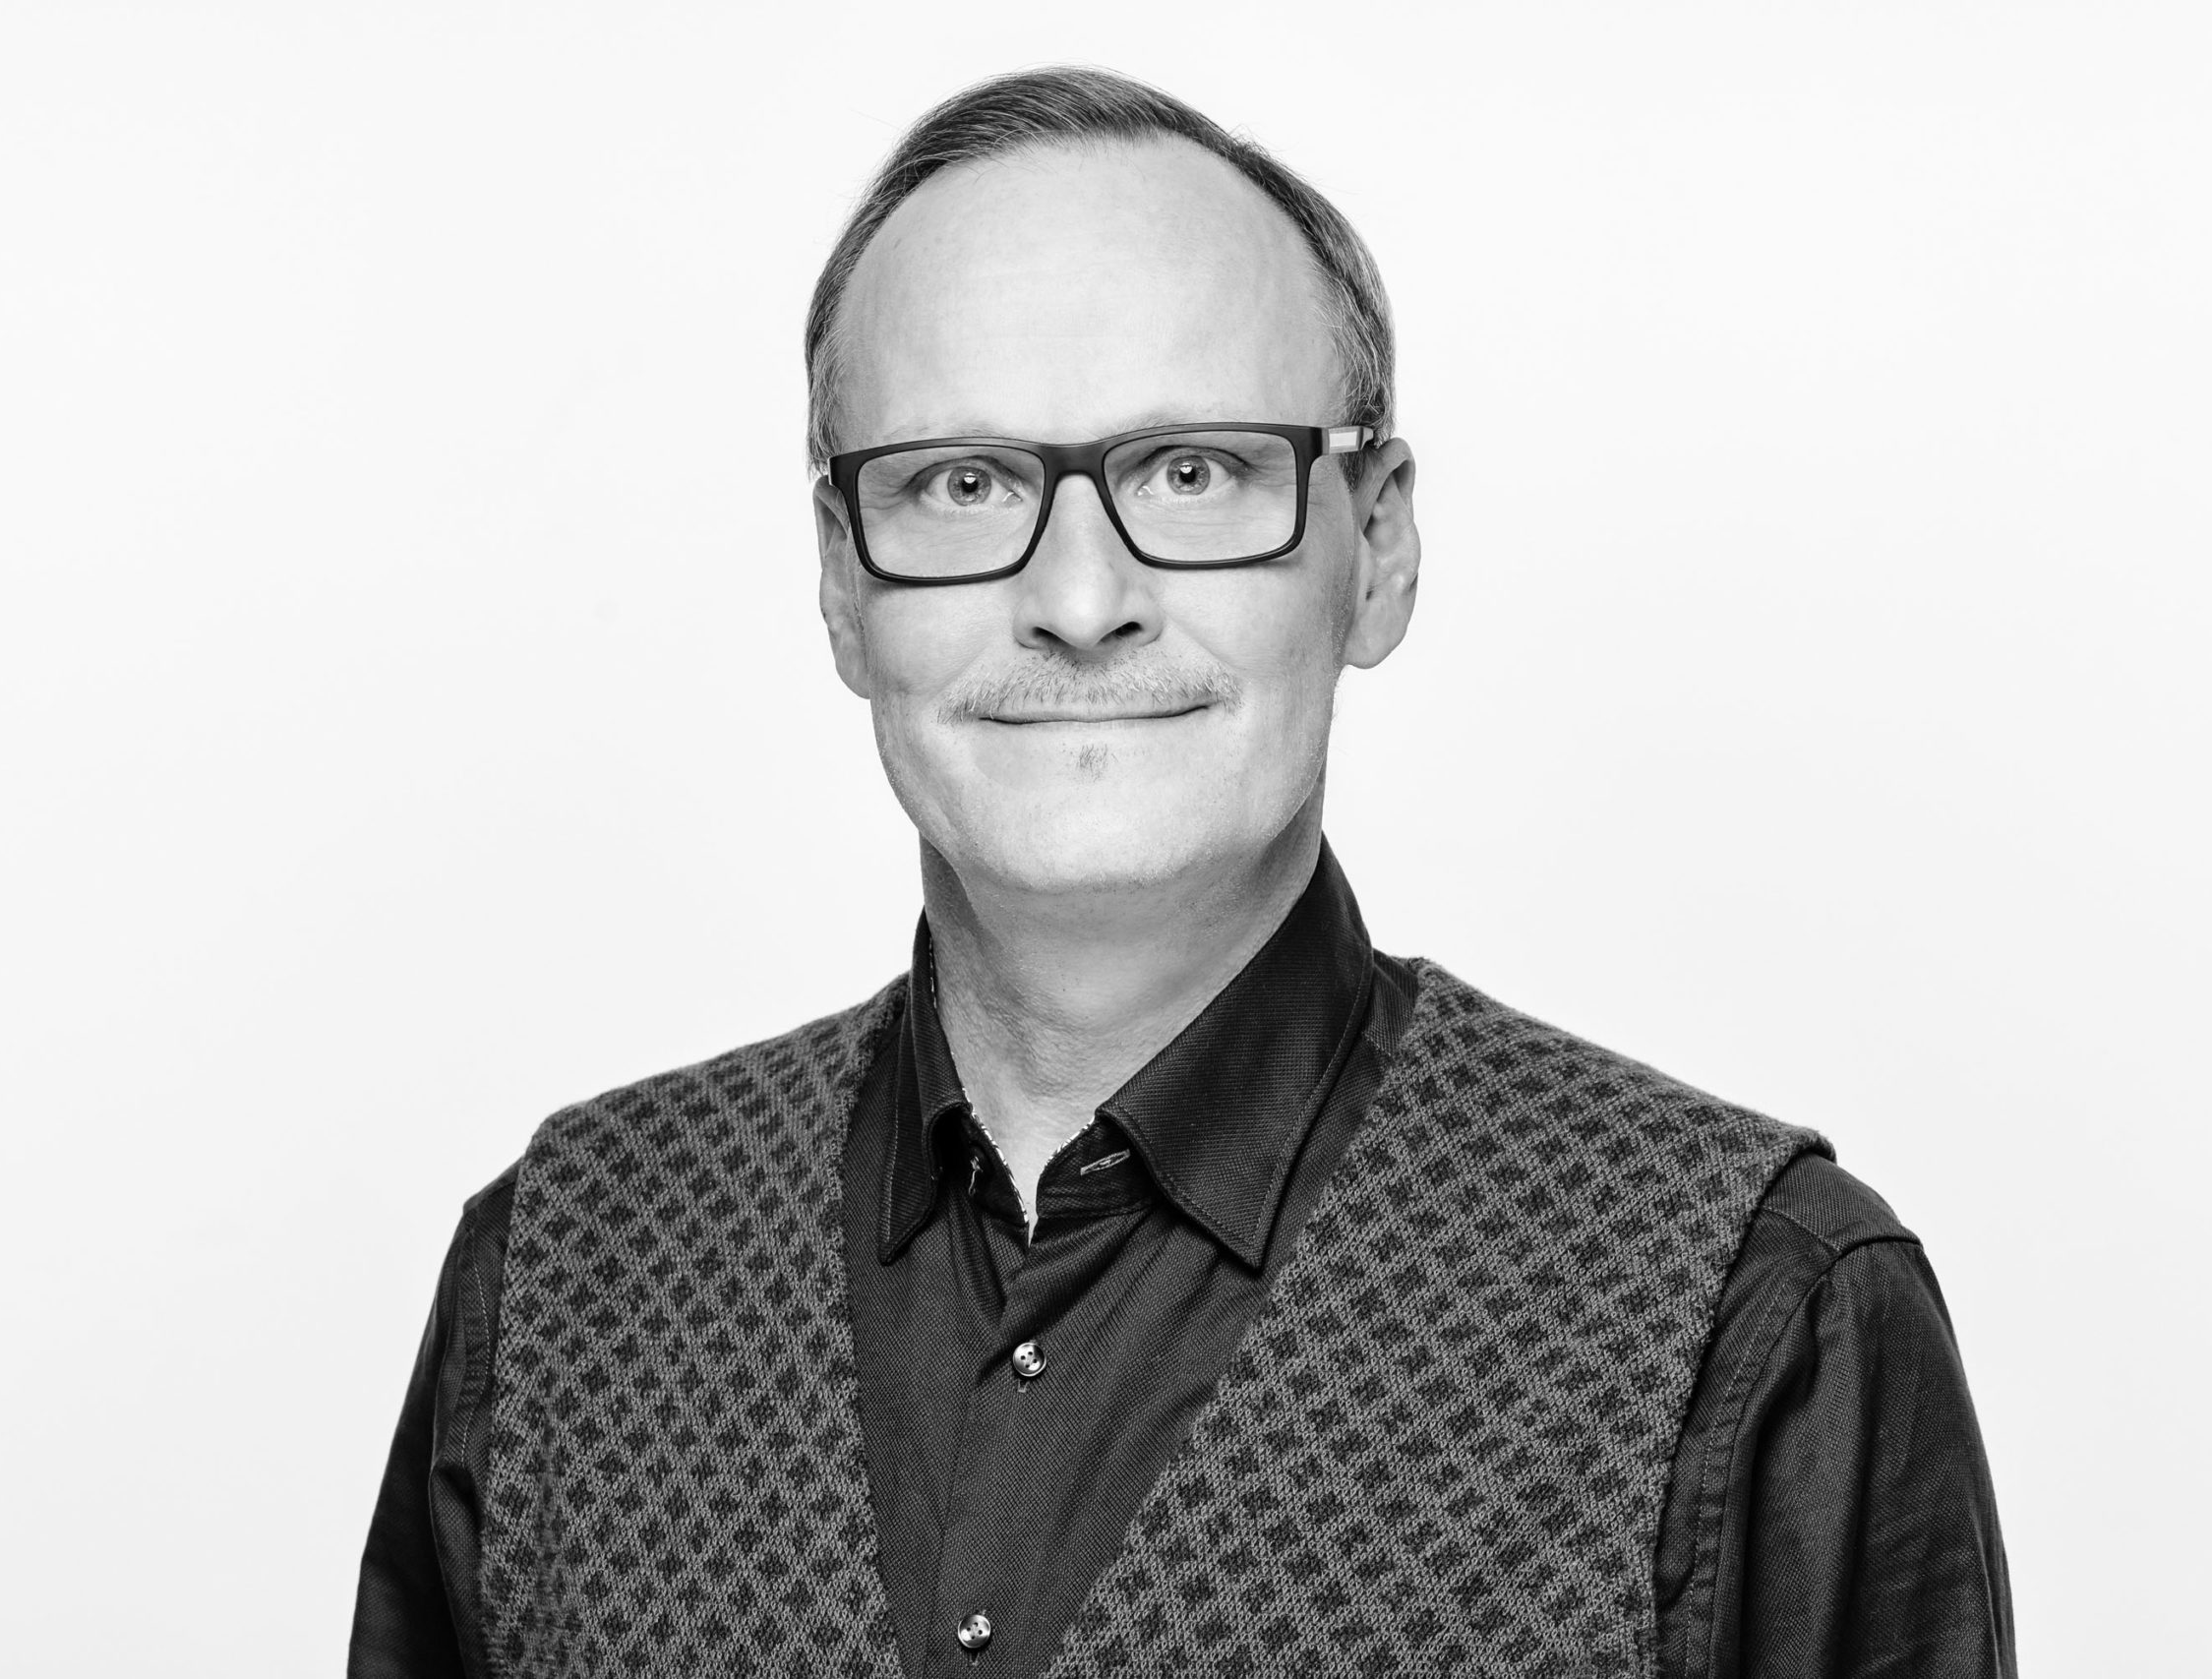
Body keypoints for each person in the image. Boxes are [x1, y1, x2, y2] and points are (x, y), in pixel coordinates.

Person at [350, 66, 2012, 1679]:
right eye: (961, 483)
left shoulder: (1763, 1320)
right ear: (844, 589)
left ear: (1379, 550)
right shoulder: (558, 1274)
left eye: (1193, 473)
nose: (1082, 601)